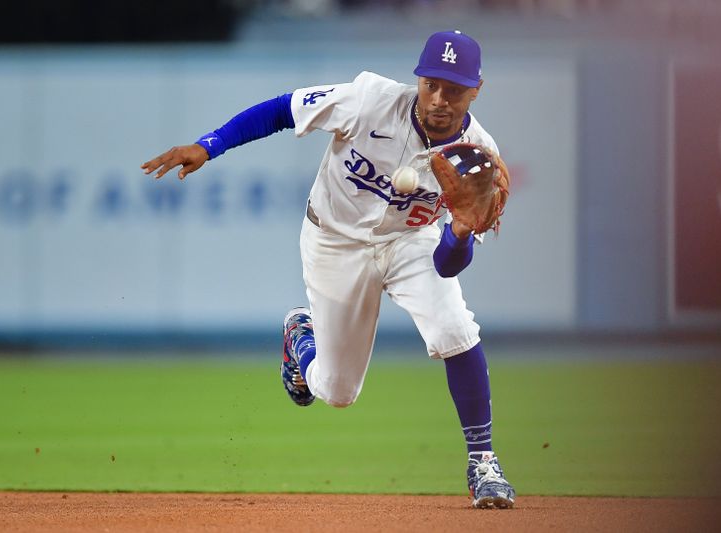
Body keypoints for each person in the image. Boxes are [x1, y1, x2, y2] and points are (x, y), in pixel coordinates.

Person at [142, 30, 515, 509]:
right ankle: (302, 334)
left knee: (454, 328)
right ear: (418, 79)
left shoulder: (479, 154)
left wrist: (461, 230)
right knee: (337, 391)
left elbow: (446, 266)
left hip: (410, 242)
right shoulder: (368, 100)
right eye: (432, 84)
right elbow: (283, 109)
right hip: (334, 240)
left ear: (476, 90)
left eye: (455, 89)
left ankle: (483, 462)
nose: (441, 99)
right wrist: (209, 145)